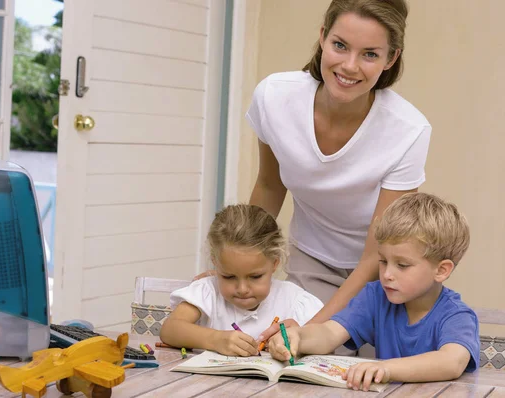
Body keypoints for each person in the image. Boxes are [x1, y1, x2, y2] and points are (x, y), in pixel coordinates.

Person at [249, 0, 432, 341]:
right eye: (340, 45)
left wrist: (312, 331)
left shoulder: (408, 130)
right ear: (322, 37)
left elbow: (379, 250)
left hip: (381, 272)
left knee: (364, 374)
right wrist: (236, 261)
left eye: (370, 54)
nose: (349, 66)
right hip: (311, 260)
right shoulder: (274, 97)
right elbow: (269, 186)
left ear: (391, 59)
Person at [268, 193, 480, 391]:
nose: (387, 274)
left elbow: (451, 362)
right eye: (383, 261)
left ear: (441, 270)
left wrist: (387, 369)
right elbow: (330, 333)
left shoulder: (457, 316)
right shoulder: (376, 296)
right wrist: (298, 336)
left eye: (402, 265)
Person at [160, 204, 324, 356]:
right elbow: (169, 330)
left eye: (255, 277)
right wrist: (216, 339)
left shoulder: (293, 300)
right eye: (229, 277)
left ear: (275, 263)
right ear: (216, 263)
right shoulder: (208, 292)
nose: (242, 288)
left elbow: (326, 339)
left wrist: (299, 338)